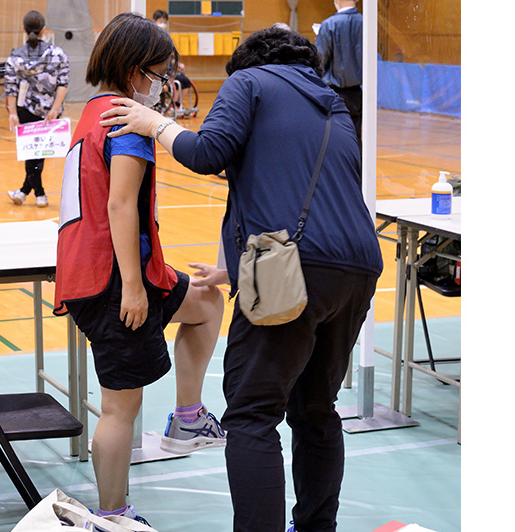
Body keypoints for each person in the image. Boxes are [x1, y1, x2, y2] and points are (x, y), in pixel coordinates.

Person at [99, 25, 383, 532]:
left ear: (245, 64)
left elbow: (208, 152)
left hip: (291, 268)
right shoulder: (333, 103)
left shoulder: (249, 82)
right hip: (358, 269)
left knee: (252, 414)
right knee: (317, 409)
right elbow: (313, 197)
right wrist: (236, 269)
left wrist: (154, 123)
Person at [54, 12, 226, 528]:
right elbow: (120, 206)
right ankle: (113, 514)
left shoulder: (91, 112)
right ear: (135, 73)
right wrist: (131, 287)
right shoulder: (127, 123)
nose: (161, 84)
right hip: (113, 282)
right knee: (118, 410)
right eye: (158, 73)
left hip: (124, 271)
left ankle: (188, 418)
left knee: (204, 301)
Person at [5, 10, 70, 208]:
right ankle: (32, 193)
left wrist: (13, 114)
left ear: (24, 30)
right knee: (37, 152)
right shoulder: (57, 54)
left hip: (24, 110)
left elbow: (10, 87)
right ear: (43, 30)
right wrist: (54, 109)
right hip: (49, 111)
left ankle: (34, 193)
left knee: (32, 152)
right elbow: (63, 83)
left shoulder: (15, 57)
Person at [315, 0, 363, 143]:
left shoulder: (329, 24)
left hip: (333, 92)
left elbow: (319, 61)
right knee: (355, 137)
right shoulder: (366, 23)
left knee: (333, 139)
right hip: (357, 94)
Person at [152, 9, 194, 112]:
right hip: (162, 70)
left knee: (185, 81)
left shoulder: (167, 38)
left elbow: (171, 56)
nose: (163, 23)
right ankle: (172, 105)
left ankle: (177, 104)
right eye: (160, 20)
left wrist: (178, 64)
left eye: (164, 21)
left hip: (170, 69)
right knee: (175, 82)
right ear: (154, 21)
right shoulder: (152, 38)